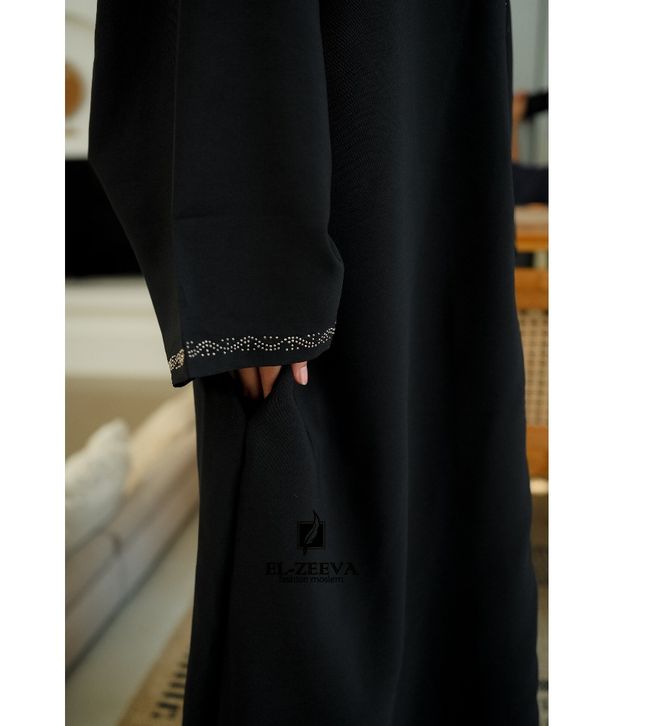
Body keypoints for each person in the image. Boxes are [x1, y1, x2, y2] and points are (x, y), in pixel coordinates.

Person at [88, 2, 539, 724]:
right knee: (314, 610)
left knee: (455, 550)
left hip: (433, 190)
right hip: (317, 259)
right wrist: (254, 282)